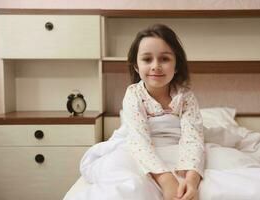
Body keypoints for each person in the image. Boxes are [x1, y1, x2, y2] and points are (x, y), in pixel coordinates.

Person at [79, 24, 204, 200]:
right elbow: (139, 142)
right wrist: (166, 180)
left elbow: (193, 138)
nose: (156, 66)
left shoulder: (186, 97)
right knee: (126, 184)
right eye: (147, 59)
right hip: (141, 146)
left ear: (176, 66)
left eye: (165, 59)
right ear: (136, 66)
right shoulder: (133, 95)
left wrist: (191, 180)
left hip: (177, 145)